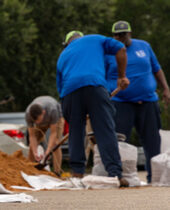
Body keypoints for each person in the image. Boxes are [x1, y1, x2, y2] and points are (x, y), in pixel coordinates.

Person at [56, 30, 130, 186]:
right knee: (105, 129)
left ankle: (77, 173)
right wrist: (122, 76)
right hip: (95, 86)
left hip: (70, 91)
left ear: (67, 43)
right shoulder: (95, 39)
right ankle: (115, 174)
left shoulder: (62, 56)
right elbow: (121, 49)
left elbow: (61, 89)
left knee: (75, 131)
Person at [105, 21, 170, 183]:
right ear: (113, 36)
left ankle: (154, 178)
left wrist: (166, 89)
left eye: (123, 34)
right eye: (116, 35)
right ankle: (121, 177)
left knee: (152, 141)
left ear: (130, 33)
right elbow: (102, 74)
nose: (120, 37)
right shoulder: (108, 52)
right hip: (121, 102)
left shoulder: (144, 46)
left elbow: (156, 68)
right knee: (120, 141)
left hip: (148, 101)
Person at [25, 96, 64, 175]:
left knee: (55, 144)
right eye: (35, 121)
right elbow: (32, 136)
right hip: (44, 119)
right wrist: (35, 152)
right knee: (31, 146)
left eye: (39, 120)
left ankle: (57, 172)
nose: (38, 123)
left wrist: (47, 152)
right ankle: (28, 170)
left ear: (43, 112)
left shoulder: (52, 110)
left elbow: (53, 133)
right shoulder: (28, 114)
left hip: (56, 120)